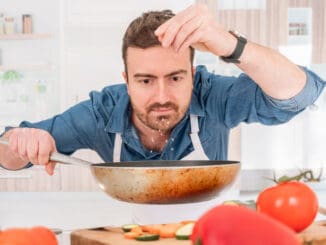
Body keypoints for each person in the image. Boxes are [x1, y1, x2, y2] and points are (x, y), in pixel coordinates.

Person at [0, 4, 325, 223]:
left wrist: (230, 45)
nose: (161, 97)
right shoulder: (101, 113)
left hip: (214, 236)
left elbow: (300, 94)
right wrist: (22, 141)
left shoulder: (213, 96)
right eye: (145, 80)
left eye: (175, 77)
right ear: (126, 81)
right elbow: (8, 155)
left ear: (193, 75)